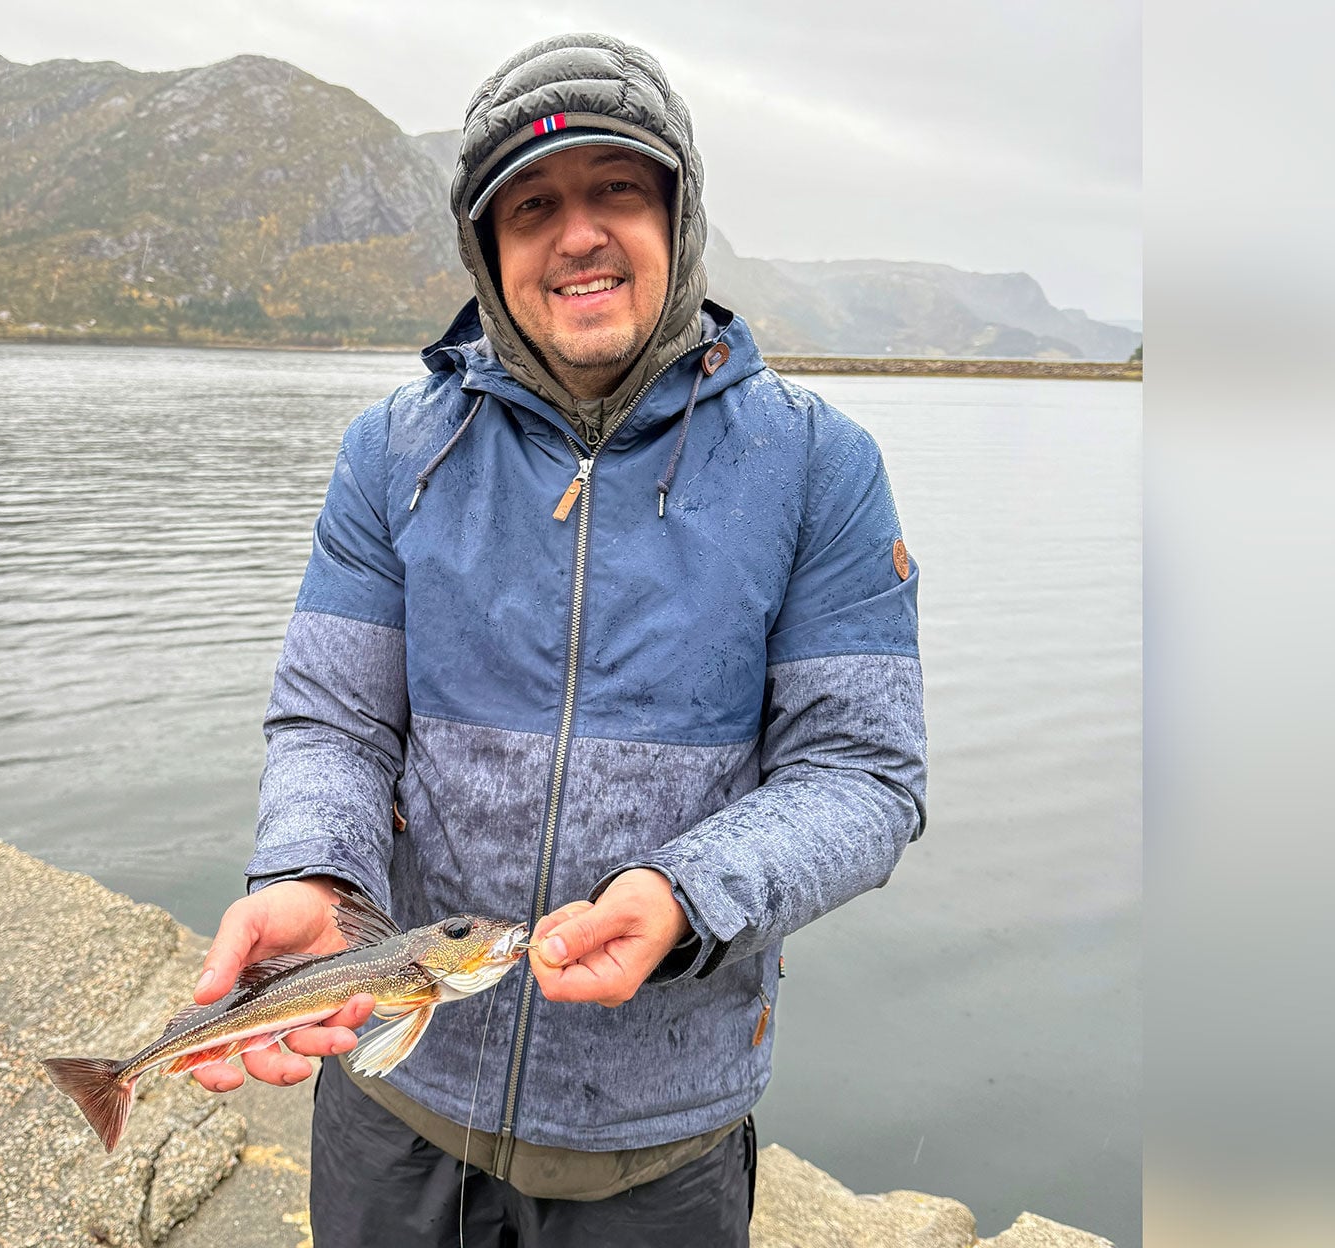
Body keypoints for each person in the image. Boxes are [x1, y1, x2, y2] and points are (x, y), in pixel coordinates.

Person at [187, 32, 926, 1248]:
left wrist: (686, 895)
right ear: (487, 250)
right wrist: (313, 869)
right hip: (392, 1110)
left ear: (677, 219)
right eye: (531, 206)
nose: (576, 233)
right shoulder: (391, 452)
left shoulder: (818, 467)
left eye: (615, 190)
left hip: (662, 1149)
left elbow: (865, 774)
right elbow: (335, 719)